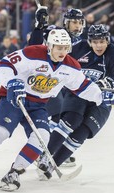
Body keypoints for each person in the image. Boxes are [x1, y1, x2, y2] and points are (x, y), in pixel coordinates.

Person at [0, 29, 103, 192]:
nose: (62, 52)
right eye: (59, 47)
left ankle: (13, 173)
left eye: (66, 48)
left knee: (42, 137)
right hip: (15, 100)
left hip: (38, 105)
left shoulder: (71, 66)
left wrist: (102, 96)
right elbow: (4, 65)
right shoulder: (33, 53)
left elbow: (83, 86)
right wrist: (12, 82)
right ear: (50, 46)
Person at [37, 24, 114, 180]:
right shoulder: (78, 48)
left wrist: (111, 84)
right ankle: (44, 156)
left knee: (82, 133)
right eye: (95, 42)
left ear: (107, 40)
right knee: (70, 120)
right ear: (89, 41)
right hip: (79, 93)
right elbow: (58, 61)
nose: (99, 45)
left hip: (102, 101)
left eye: (102, 41)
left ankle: (52, 164)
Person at [29, 7, 86, 166]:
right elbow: (32, 46)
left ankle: (49, 149)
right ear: (66, 22)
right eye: (74, 22)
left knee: (65, 118)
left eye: (80, 22)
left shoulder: (83, 42)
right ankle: (43, 151)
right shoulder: (55, 32)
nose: (77, 25)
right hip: (47, 81)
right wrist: (40, 26)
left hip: (65, 86)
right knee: (58, 114)